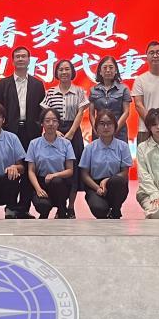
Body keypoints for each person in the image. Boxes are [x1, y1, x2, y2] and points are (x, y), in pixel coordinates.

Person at [41, 58, 89, 218]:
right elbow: (46, 115)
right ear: (56, 72)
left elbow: (80, 113)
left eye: (67, 69)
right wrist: (56, 132)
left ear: (72, 72)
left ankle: (71, 207)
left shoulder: (79, 91)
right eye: (61, 69)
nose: (64, 72)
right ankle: (60, 205)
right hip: (54, 131)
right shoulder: (50, 92)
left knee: (73, 170)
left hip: (74, 133)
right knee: (58, 169)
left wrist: (71, 133)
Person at [78, 109, 133, 219]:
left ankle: (116, 210)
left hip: (114, 184)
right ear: (96, 127)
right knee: (99, 209)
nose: (106, 127)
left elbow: (124, 173)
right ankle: (105, 210)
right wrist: (97, 188)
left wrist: (107, 180)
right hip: (94, 185)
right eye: (102, 124)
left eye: (109, 124)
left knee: (118, 181)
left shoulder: (123, 147)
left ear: (115, 126)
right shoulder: (90, 148)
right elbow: (84, 174)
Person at [25, 108, 76, 219]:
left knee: (57, 181)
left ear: (58, 123)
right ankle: (44, 211)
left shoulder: (66, 144)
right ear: (42, 123)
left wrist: (54, 175)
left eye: (54, 120)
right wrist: (38, 189)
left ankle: (62, 210)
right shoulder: (34, 144)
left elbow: (70, 170)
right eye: (47, 120)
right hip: (41, 182)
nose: (51, 124)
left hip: (60, 183)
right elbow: (31, 171)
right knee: (42, 205)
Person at [0, 46, 46, 146]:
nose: (20, 59)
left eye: (23, 56)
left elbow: (42, 109)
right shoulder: (2, 84)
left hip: (32, 131)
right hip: (8, 131)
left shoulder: (38, 84)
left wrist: (39, 125)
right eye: (17, 57)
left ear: (29, 60)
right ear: (13, 61)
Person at [88, 55, 131, 141]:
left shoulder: (124, 89)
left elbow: (126, 112)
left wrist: (115, 128)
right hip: (99, 132)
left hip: (119, 132)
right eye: (105, 68)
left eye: (111, 67)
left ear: (116, 71)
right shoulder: (93, 90)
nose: (108, 70)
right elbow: (91, 113)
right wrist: (95, 128)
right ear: (100, 72)